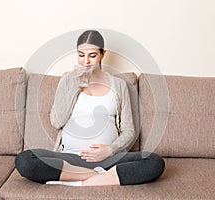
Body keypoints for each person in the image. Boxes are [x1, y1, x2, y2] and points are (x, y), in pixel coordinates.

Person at [15, 30, 165, 186]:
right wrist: (76, 84)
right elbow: (56, 121)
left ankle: (80, 181)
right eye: (81, 55)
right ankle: (95, 176)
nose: (85, 61)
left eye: (92, 56)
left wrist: (111, 149)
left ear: (102, 54)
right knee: (24, 161)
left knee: (154, 162)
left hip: (109, 160)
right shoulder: (67, 80)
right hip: (69, 158)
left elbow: (129, 130)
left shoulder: (119, 85)